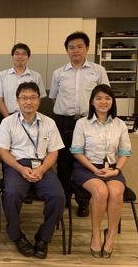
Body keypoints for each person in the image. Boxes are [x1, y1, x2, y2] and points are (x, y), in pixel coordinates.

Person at [0, 82, 65, 259]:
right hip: (16, 165)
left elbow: (53, 151)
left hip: (42, 165)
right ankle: (16, 235)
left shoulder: (49, 123)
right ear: (17, 101)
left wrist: (41, 169)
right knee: (10, 193)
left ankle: (43, 237)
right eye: (24, 98)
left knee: (58, 196)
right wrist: (20, 168)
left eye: (33, 97)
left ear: (38, 100)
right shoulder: (8, 122)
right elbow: (3, 151)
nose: (28, 102)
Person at [49, 31, 110, 217]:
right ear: (66, 50)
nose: (75, 51)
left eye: (79, 47)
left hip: (88, 122)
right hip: (63, 122)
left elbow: (105, 96)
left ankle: (83, 201)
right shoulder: (59, 73)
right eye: (71, 47)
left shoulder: (98, 71)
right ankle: (64, 197)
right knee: (63, 161)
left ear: (87, 49)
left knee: (85, 161)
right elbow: (53, 98)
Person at [70, 84, 131, 258]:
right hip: (86, 168)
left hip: (112, 169)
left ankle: (110, 234)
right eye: (99, 98)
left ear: (112, 101)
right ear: (92, 102)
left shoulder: (119, 124)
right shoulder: (82, 123)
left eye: (107, 98)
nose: (103, 102)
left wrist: (116, 170)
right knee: (101, 191)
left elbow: (125, 152)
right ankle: (95, 233)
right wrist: (93, 169)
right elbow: (76, 151)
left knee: (117, 191)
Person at [0, 43, 46, 118]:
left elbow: (38, 98)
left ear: (28, 57)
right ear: (12, 56)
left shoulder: (36, 76)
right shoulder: (2, 75)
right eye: (17, 54)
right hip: (7, 116)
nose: (20, 57)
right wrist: (8, 119)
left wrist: (30, 115)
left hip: (29, 116)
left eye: (24, 54)